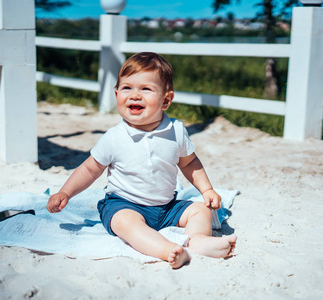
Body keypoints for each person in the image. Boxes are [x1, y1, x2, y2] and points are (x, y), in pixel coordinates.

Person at [47, 52, 237, 269]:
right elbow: (90, 169)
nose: (135, 95)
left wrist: (207, 190)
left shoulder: (175, 131)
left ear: (166, 100)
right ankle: (168, 250)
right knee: (125, 223)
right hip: (124, 204)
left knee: (200, 210)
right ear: (117, 93)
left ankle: (197, 241)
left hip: (166, 206)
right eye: (127, 88)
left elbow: (189, 163)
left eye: (146, 89)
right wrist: (65, 192)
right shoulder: (114, 137)